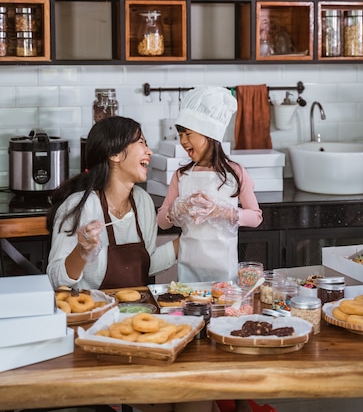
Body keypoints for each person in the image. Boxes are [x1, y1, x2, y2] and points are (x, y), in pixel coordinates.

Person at [46, 116, 178, 290]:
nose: (149, 151)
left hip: (135, 311)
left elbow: (148, 263)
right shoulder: (79, 207)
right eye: (141, 143)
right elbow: (55, 280)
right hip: (93, 312)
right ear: (114, 154)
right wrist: (82, 252)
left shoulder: (143, 201)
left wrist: (189, 239)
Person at [157, 85, 263, 283]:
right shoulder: (182, 175)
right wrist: (176, 209)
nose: (182, 141)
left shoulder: (235, 173)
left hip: (224, 274)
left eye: (188, 134)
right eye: (180, 135)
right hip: (188, 272)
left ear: (209, 134)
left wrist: (226, 212)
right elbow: (162, 222)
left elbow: (256, 217)